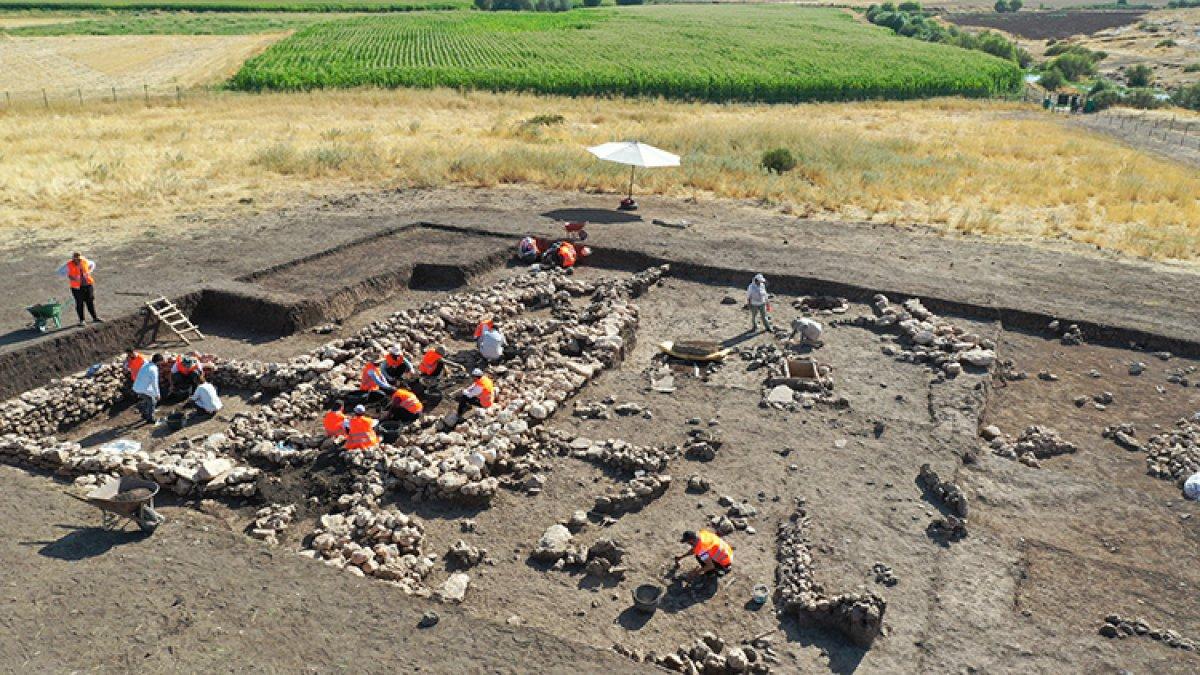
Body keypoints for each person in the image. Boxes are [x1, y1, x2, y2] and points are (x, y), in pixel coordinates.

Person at [57, 251, 102, 326]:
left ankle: (95, 318)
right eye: (76, 259)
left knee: (90, 302)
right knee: (80, 303)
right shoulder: (68, 265)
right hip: (77, 288)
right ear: (73, 259)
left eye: (79, 258)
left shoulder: (85, 261)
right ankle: (82, 320)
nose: (78, 260)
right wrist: (70, 276)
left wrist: (89, 272)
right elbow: (60, 272)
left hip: (88, 285)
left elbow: (93, 264)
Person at [132, 353, 165, 425]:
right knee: (153, 401)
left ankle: (145, 414)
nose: (162, 363)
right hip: (143, 389)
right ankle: (150, 419)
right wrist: (157, 394)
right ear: (159, 361)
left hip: (137, 387)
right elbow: (155, 383)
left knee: (148, 400)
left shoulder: (146, 365)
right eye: (161, 361)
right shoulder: (154, 369)